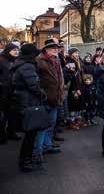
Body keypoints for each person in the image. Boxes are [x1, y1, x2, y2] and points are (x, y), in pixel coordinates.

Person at [10, 44, 44, 172]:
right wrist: (42, 94)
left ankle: (26, 160)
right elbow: (33, 85)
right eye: (35, 54)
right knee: (30, 134)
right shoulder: (27, 66)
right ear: (31, 55)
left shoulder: (21, 64)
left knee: (30, 134)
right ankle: (25, 162)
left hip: (24, 101)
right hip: (28, 102)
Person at [35, 39, 65, 167]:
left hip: (55, 98)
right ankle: (37, 152)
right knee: (42, 127)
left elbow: (59, 79)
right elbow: (36, 81)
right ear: (46, 49)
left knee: (50, 124)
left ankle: (47, 145)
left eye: (57, 48)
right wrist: (43, 94)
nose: (56, 50)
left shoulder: (56, 60)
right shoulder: (40, 61)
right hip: (45, 99)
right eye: (53, 48)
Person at [0, 43, 20, 143]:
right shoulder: (1, 60)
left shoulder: (16, 61)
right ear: (8, 50)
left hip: (14, 92)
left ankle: (11, 133)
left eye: (17, 50)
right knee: (3, 116)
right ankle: (2, 136)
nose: (16, 51)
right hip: (3, 93)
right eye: (14, 50)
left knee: (13, 114)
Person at [65, 47, 85, 128]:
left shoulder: (78, 61)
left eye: (77, 52)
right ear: (71, 54)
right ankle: (71, 122)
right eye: (75, 53)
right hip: (73, 87)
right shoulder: (70, 62)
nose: (77, 54)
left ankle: (77, 120)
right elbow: (72, 77)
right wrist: (76, 89)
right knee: (73, 104)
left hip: (79, 85)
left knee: (77, 104)